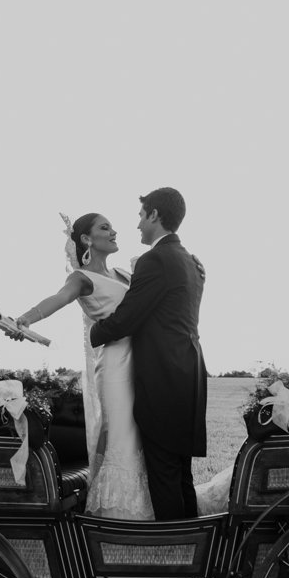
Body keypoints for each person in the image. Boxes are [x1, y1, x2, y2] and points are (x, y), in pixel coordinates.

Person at [14, 213, 153, 520]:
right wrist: (25, 319)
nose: (114, 231)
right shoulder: (81, 278)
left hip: (142, 366)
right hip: (115, 369)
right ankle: (119, 514)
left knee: (142, 437)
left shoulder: (123, 273)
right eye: (105, 227)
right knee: (122, 437)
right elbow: (57, 298)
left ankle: (144, 506)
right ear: (87, 240)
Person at [87, 187, 207, 520]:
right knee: (181, 473)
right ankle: (194, 550)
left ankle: (176, 555)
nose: (137, 225)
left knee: (165, 475)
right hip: (190, 374)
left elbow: (127, 317)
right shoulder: (189, 261)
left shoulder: (155, 259)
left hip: (163, 378)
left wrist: (91, 331)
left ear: (154, 214)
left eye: (141, 216)